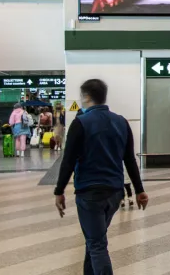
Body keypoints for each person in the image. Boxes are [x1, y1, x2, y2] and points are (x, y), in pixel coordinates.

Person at [54, 79, 149, 275]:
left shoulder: (80, 123)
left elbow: (68, 160)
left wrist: (59, 191)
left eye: (82, 96)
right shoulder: (121, 122)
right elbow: (129, 159)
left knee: (97, 244)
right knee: (93, 239)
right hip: (114, 192)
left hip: (89, 193)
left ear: (87, 97)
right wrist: (139, 190)